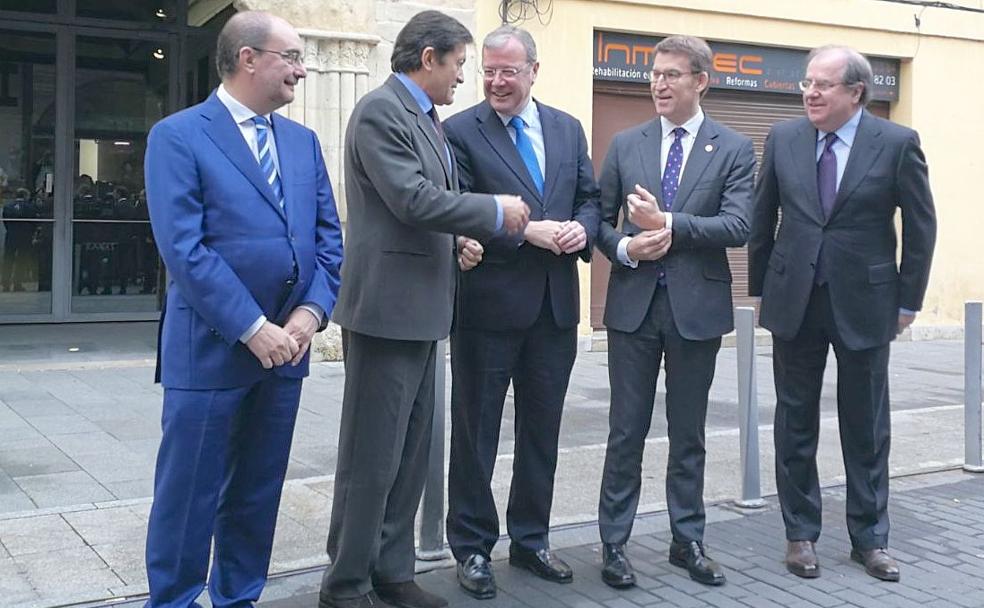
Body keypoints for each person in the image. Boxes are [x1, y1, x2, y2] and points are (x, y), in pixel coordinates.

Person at [320, 10, 530, 608]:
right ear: (428, 57)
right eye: (460, 63)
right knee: (372, 458)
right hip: (385, 313)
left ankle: (392, 570)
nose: (464, 77)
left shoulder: (426, 118)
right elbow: (410, 197)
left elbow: (424, 210)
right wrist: (491, 213)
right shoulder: (382, 111)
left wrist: (456, 238)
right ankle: (345, 584)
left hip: (422, 311)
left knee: (410, 456)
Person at [143, 11, 343, 607]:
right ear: (248, 57)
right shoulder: (178, 135)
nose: (303, 71)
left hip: (288, 351)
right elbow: (185, 249)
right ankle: (175, 599)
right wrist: (254, 329)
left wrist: (309, 315)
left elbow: (329, 241)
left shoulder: (303, 142)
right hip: (211, 350)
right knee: (189, 497)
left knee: (257, 492)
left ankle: (239, 597)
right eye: (292, 57)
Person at [748, 45, 936, 583]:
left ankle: (870, 539)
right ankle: (800, 534)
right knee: (795, 419)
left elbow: (921, 229)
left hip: (868, 303)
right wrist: (760, 290)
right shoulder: (784, 138)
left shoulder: (897, 143)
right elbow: (764, 217)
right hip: (795, 300)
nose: (810, 92)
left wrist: (908, 301)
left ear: (856, 92)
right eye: (807, 82)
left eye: (823, 84)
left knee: (867, 425)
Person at [442, 25, 601, 599]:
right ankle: (472, 547)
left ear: (534, 71)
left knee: (542, 433)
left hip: (555, 309)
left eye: (509, 71)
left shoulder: (566, 127)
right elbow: (460, 206)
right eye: (488, 70)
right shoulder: (460, 131)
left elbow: (591, 195)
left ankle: (531, 539)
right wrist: (522, 230)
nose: (496, 81)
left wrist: (584, 227)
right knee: (475, 432)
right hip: (488, 308)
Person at [595, 35, 756, 589]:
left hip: (696, 310)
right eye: (655, 74)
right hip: (633, 308)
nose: (658, 84)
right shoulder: (625, 143)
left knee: (688, 434)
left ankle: (687, 538)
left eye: (671, 75)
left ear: (700, 82)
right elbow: (598, 219)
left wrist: (668, 224)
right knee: (625, 431)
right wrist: (624, 246)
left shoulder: (732, 148)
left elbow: (740, 226)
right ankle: (614, 543)